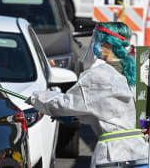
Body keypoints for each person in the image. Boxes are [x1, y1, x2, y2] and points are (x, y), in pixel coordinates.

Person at [26, 22, 149, 168]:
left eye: (96, 39)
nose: (94, 44)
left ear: (107, 45)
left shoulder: (97, 76)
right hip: (141, 153)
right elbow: (116, 113)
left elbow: (64, 104)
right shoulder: (139, 71)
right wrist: (77, 116)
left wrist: (36, 98)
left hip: (114, 156)